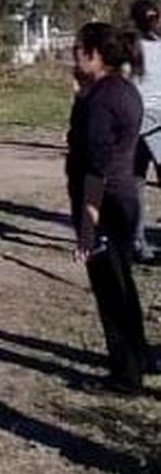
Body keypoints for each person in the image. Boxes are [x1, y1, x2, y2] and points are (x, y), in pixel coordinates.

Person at [68, 21, 152, 392]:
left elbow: (96, 161)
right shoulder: (123, 90)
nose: (74, 55)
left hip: (105, 201)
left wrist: (88, 221)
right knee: (123, 284)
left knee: (111, 290)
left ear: (94, 54)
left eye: (78, 49)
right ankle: (138, 355)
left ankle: (126, 374)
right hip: (124, 198)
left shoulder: (102, 100)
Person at [128, 0, 161, 262]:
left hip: (134, 121)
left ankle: (137, 242)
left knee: (136, 182)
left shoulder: (129, 47)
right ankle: (138, 242)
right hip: (157, 123)